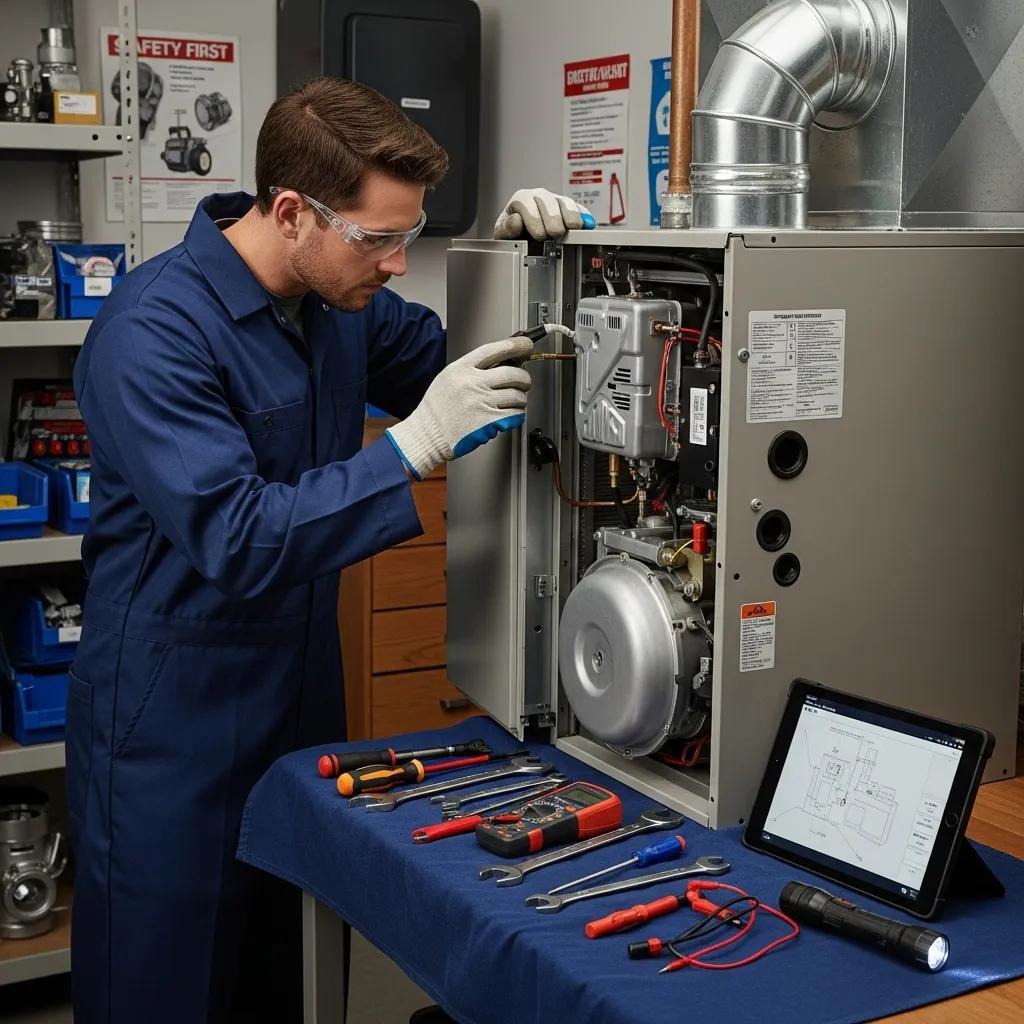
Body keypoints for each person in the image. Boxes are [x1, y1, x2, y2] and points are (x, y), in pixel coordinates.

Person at [67, 76, 592, 1023]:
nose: (399, 265)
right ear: (291, 213)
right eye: (380, 238)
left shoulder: (341, 298)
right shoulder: (153, 332)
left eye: (413, 236)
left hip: (301, 701)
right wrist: (410, 448)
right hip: (170, 724)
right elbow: (238, 535)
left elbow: (464, 366)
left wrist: (516, 265)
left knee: (294, 969)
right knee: (167, 986)